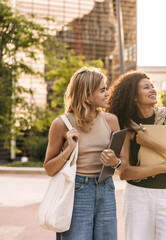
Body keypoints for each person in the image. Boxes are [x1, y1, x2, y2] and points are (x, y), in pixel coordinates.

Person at [107, 71, 166, 240]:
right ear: (134, 96)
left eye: (152, 86)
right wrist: (163, 167)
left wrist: (150, 142)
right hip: (137, 196)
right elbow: (125, 173)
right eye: (146, 87)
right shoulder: (126, 125)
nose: (152, 90)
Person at [43, 67, 122, 240]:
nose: (107, 94)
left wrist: (115, 161)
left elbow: (123, 163)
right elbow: (49, 169)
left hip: (106, 187)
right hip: (77, 191)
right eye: (102, 90)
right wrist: (69, 150)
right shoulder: (61, 124)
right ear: (87, 95)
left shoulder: (111, 120)